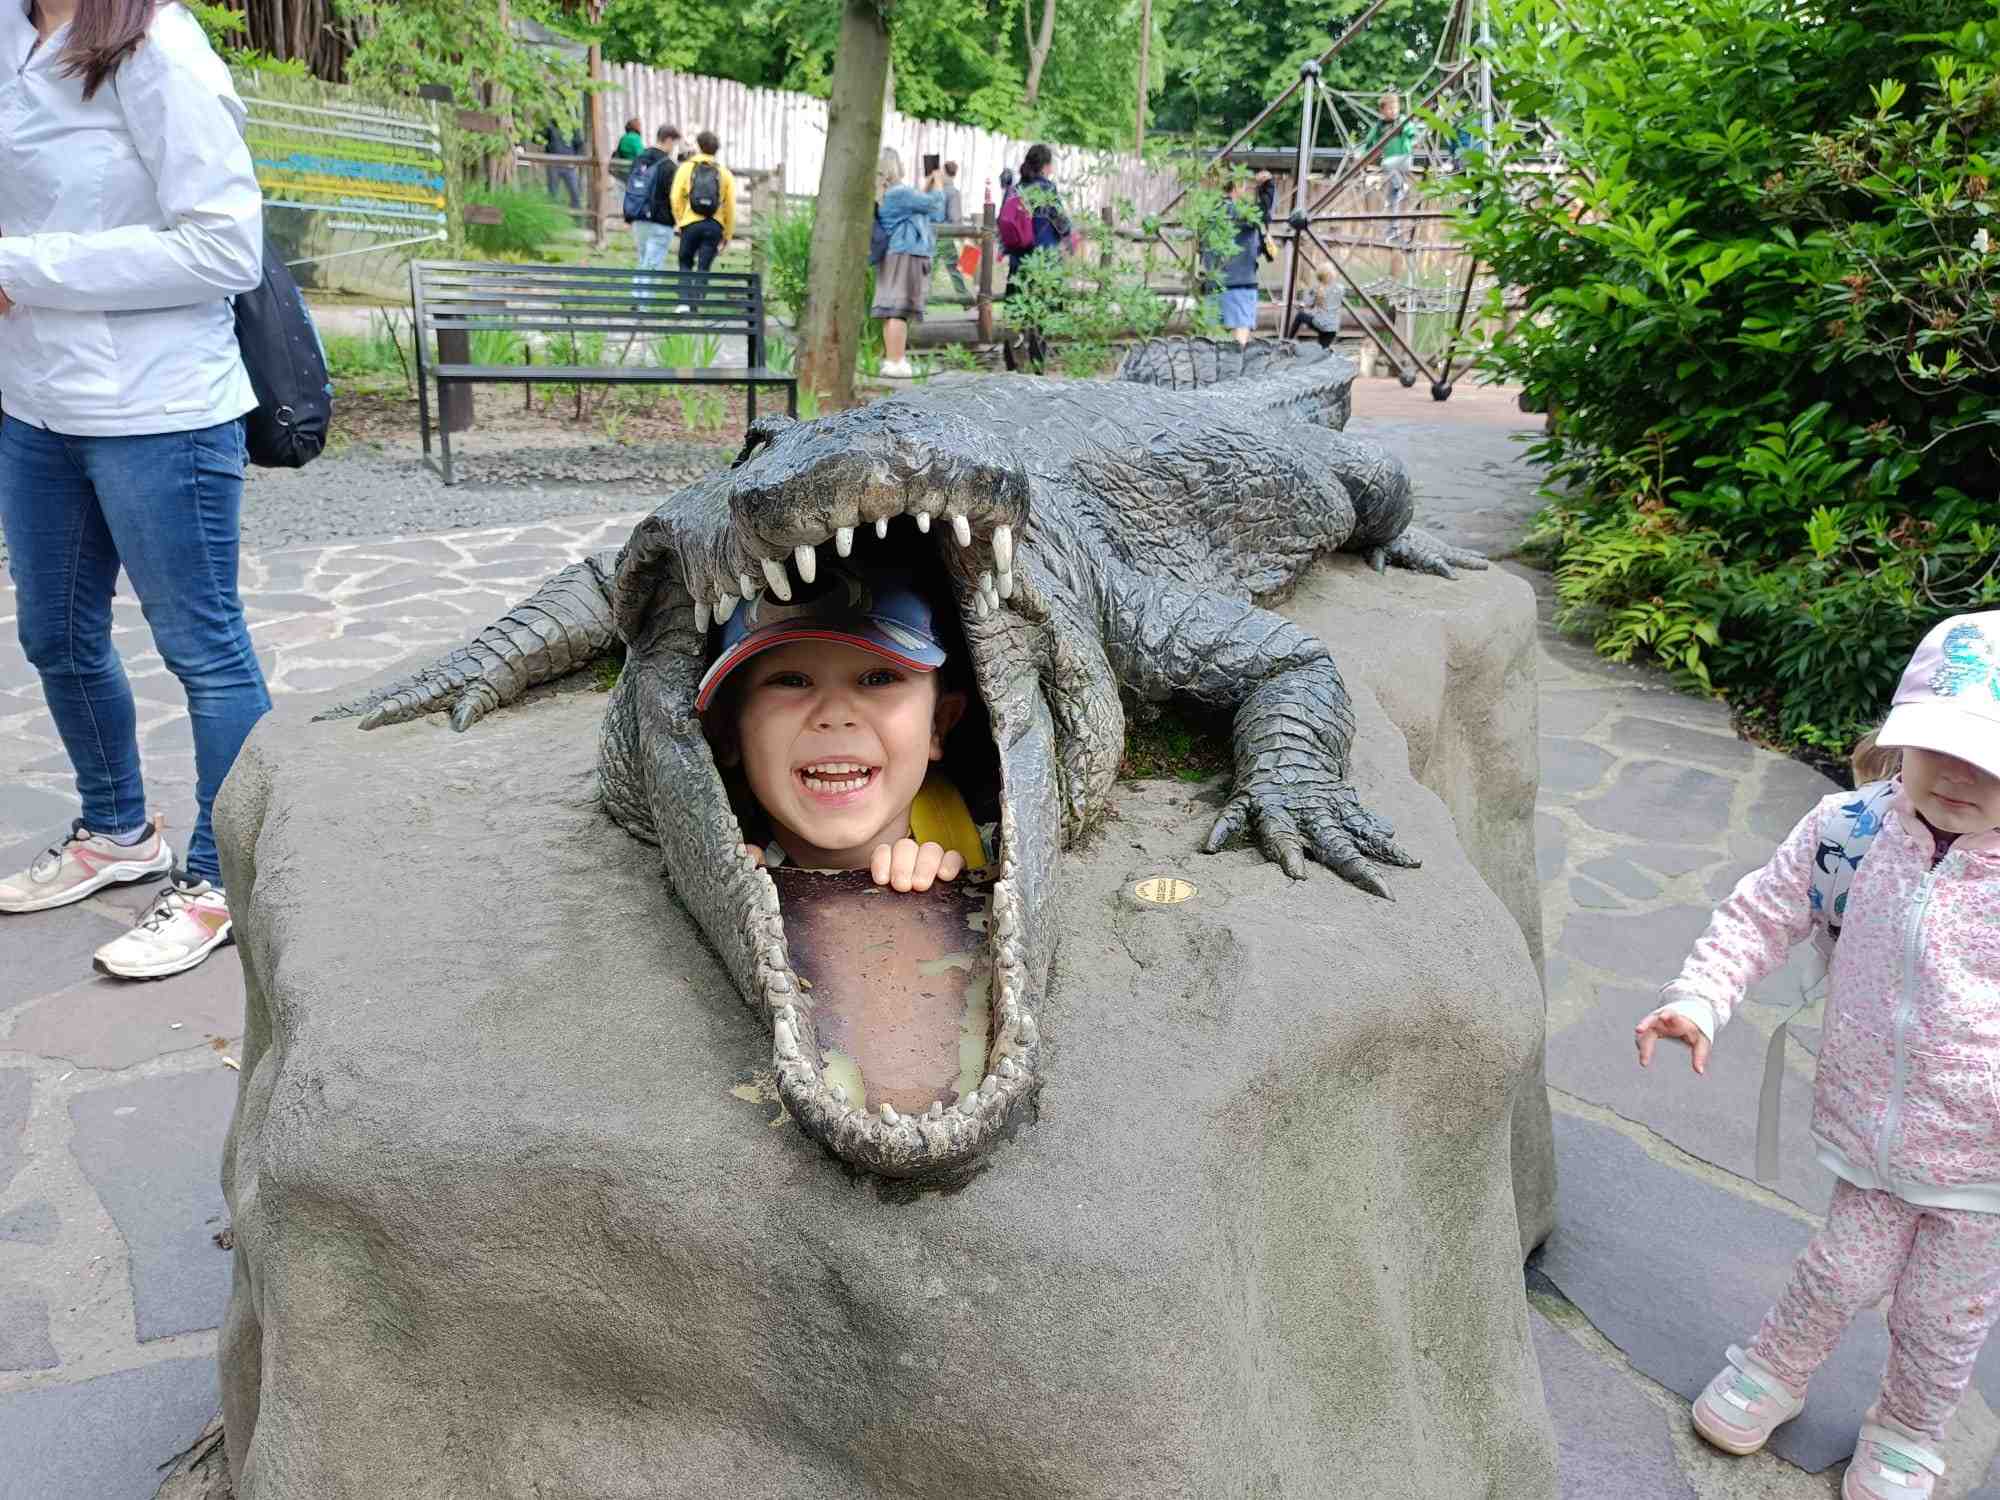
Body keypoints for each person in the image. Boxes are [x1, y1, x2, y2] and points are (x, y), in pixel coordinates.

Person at [1634, 611, 2000, 1500]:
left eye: (1988, 759)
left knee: (1940, 1318)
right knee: (1838, 1271)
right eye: (1938, 745)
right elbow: (1763, 911)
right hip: (1872, 1130)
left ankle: (1908, 1429)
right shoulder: (1852, 831)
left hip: (1985, 1161)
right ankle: (1773, 1368)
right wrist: (1700, 996)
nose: (1957, 773)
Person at [0, 0, 270, 979]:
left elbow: (225, 247)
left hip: (160, 408)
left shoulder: (160, 46)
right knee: (55, 636)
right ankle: (117, 830)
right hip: (34, 401)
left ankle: (224, 877)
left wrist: (21, 269)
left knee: (204, 651)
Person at [695, 563, 985, 889]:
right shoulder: (708, 859)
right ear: (727, 731)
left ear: (938, 724)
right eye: (791, 681)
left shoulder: (997, 846)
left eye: (878, 679)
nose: (834, 714)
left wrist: (947, 890)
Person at [870, 150, 947, 381]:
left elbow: (915, 204)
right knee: (899, 310)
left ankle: (893, 360)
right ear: (895, 167)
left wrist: (927, 185)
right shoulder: (900, 193)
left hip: (893, 255)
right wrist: (939, 182)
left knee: (891, 311)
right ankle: (896, 362)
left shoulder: (888, 194)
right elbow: (935, 206)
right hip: (905, 255)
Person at [1001, 144, 1070, 372]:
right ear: (1046, 166)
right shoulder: (1047, 190)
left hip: (1018, 263)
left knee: (1015, 314)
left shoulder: (1016, 190)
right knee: (1040, 317)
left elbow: (1004, 223)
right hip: (1042, 264)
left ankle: (1012, 364)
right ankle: (1037, 367)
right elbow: (1063, 224)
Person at [1202, 173, 1267, 348]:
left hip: (1214, 283)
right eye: (1244, 186)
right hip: (1240, 283)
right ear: (1237, 187)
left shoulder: (1207, 213)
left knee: (1209, 341)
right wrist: (1268, 188)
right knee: (1240, 337)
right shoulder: (1243, 213)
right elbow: (1264, 215)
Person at [669, 129, 737, 287]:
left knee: (685, 264)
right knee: (704, 269)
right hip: (714, 225)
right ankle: (698, 300)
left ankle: (685, 300)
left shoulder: (686, 168)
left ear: (698, 146)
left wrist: (680, 220)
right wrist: (727, 234)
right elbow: (730, 207)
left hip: (690, 223)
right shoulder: (724, 173)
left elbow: (675, 197)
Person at [626, 123, 681, 272]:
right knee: (652, 267)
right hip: (661, 221)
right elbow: (673, 196)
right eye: (674, 144)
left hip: (639, 217)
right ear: (668, 140)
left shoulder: (639, 159)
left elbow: (630, 186)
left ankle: (638, 288)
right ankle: (644, 289)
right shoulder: (669, 166)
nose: (674, 148)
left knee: (643, 261)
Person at [1368, 91, 1416, 235]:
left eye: (1395, 108)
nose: (1393, 111)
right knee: (1392, 197)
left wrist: (1409, 134)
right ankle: (1393, 228)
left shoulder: (1402, 120)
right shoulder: (1380, 125)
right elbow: (1369, 140)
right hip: (1391, 164)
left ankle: (1400, 186)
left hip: (1403, 158)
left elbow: (1412, 132)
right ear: (1382, 111)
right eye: (1389, 109)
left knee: (1386, 164)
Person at [1288, 266, 1343, 347]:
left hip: (1321, 324)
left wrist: (1301, 304)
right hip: (1333, 327)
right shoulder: (1340, 288)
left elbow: (1307, 303)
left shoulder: (1316, 289)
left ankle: (1288, 340)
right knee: (1322, 350)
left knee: (1300, 315)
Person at [941, 160, 971, 301]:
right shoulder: (953, 192)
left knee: (929, 270)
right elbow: (955, 217)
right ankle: (965, 299)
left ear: (944, 172)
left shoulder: (939, 191)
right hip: (945, 236)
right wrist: (962, 235)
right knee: (953, 269)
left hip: (935, 234)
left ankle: (920, 301)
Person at [542, 119, 583, 210]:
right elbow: (540, 138)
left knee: (575, 192)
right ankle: (551, 213)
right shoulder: (551, 126)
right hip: (554, 165)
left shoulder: (573, 126)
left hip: (569, 165)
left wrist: (575, 161)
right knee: (552, 191)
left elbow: (579, 144)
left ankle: (577, 215)